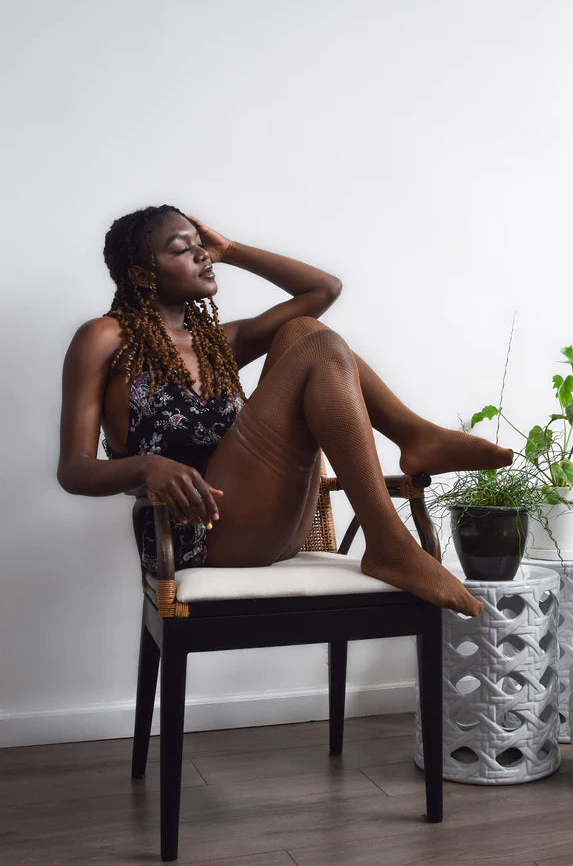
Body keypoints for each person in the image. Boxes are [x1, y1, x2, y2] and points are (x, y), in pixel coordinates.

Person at [57, 205, 513, 616]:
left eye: (201, 246)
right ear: (141, 275)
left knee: (305, 329)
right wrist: (147, 465)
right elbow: (73, 471)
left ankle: (413, 443)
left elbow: (323, 289)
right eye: (182, 249)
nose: (202, 256)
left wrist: (231, 249)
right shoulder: (103, 338)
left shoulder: (217, 344)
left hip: (275, 521)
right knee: (319, 344)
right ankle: (394, 523)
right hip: (197, 534)